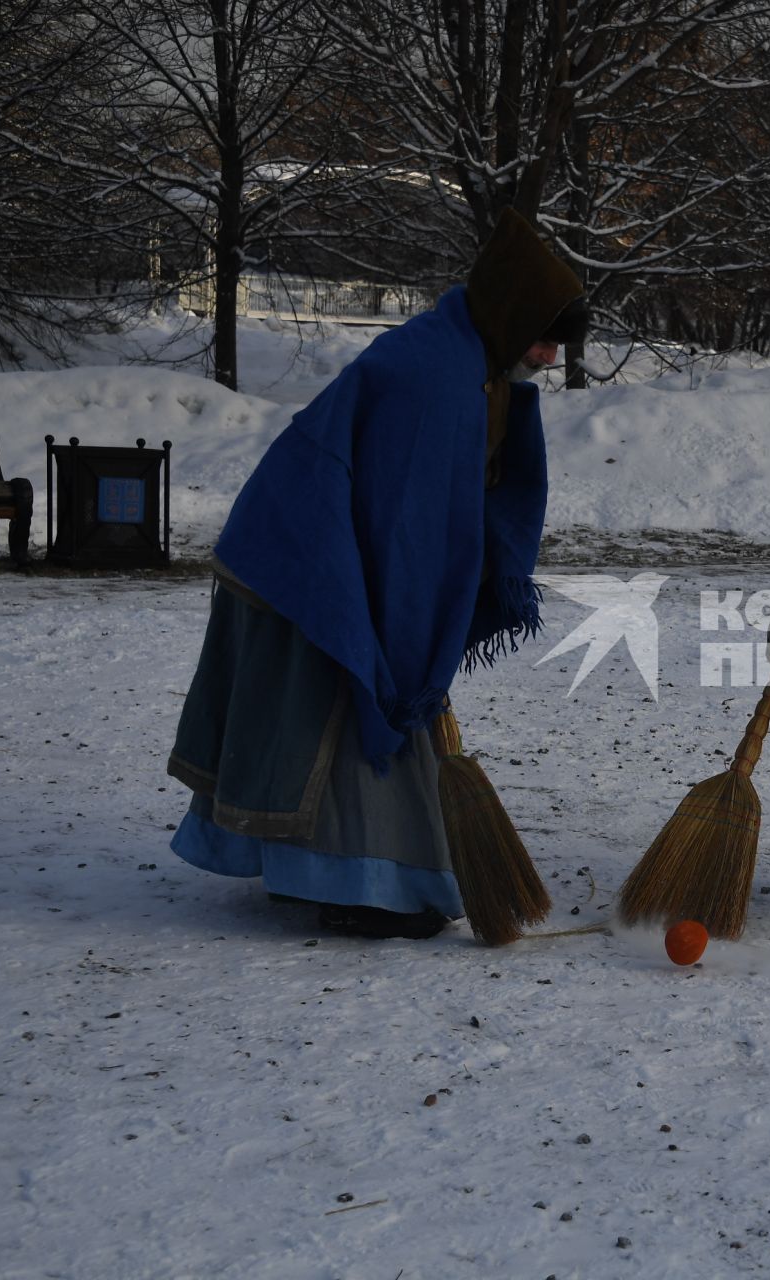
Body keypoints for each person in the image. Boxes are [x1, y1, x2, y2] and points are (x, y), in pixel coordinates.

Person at [167, 209, 590, 939]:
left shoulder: (478, 363)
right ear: (511, 313)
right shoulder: (437, 381)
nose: (549, 359)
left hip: (320, 549)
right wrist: (410, 659)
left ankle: (349, 876)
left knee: (350, 711)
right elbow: (405, 539)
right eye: (546, 337)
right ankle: (359, 888)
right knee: (351, 708)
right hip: (300, 560)